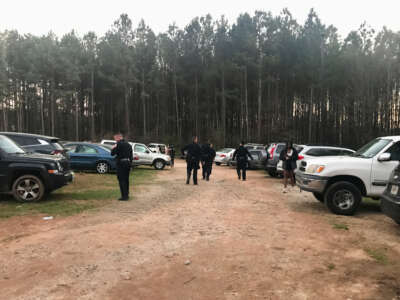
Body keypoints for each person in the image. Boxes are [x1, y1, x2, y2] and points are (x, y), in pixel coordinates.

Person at [111, 133, 133, 201]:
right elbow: (131, 155)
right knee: (126, 179)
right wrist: (130, 163)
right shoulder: (129, 144)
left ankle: (124, 196)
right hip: (128, 163)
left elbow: (112, 154)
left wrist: (113, 148)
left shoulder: (118, 144)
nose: (115, 140)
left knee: (121, 180)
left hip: (121, 163)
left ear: (118, 138)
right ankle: (127, 194)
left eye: (115, 139)